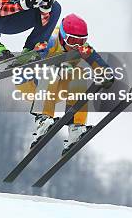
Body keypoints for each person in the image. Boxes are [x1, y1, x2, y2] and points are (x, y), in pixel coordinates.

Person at [15, 13, 114, 152]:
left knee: (79, 73)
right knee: (52, 70)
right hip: (31, 85)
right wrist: (31, 59)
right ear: (62, 35)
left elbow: (97, 62)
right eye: (72, 40)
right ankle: (43, 120)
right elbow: (30, 57)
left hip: (54, 90)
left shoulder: (82, 48)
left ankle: (76, 128)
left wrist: (106, 74)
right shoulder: (49, 40)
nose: (76, 46)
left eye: (81, 40)